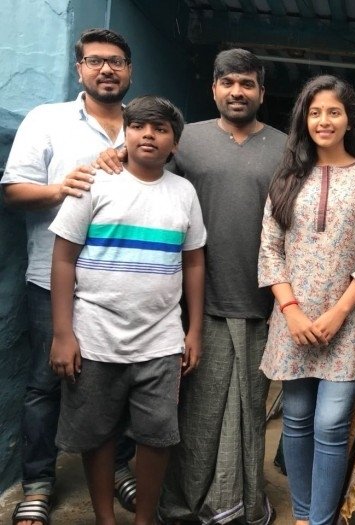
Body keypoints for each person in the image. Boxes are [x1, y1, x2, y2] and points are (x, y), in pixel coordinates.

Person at [96, 49, 286, 525]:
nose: (237, 92)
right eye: (228, 83)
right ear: (214, 88)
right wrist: (111, 154)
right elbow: (142, 173)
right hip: (188, 307)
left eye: (247, 83)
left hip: (261, 301)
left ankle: (238, 500)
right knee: (192, 416)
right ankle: (183, 503)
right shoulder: (185, 141)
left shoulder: (286, 148)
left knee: (247, 415)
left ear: (262, 92)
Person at [1, 28, 138, 525]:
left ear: (129, 70)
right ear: (79, 68)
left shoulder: (143, 126)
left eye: (116, 61)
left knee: (121, 380)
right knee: (46, 384)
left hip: (124, 282)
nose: (107, 69)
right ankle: (38, 483)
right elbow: (13, 191)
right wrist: (61, 188)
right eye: (95, 60)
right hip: (53, 279)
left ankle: (119, 466)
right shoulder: (48, 120)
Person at [48, 95, 205, 525]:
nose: (148, 135)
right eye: (138, 126)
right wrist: (63, 333)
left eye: (160, 129)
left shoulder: (184, 192)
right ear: (125, 135)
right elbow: (63, 258)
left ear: (174, 144)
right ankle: (105, 518)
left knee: (156, 435)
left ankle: (144, 518)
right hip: (94, 336)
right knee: (96, 434)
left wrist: (193, 331)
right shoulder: (94, 182)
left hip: (160, 340)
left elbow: (193, 261)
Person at [258, 75, 355, 525]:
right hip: (293, 318)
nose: (324, 121)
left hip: (348, 320)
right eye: (315, 112)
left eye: (334, 111)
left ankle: (322, 519)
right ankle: (303, 515)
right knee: (295, 417)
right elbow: (269, 249)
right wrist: (291, 311)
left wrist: (339, 312)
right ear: (304, 119)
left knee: (331, 421)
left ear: (350, 119)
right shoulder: (287, 178)